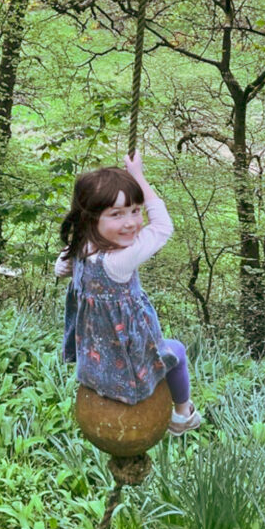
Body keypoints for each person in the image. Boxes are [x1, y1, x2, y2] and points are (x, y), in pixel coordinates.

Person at [56, 151, 201, 436]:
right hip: (127, 362)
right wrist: (138, 176)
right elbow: (162, 227)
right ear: (91, 217)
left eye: (136, 210)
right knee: (178, 353)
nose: (132, 223)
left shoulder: (81, 247)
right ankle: (183, 414)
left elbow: (61, 264)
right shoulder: (119, 260)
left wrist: (62, 267)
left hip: (95, 361)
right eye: (116, 214)